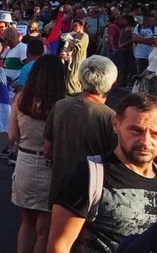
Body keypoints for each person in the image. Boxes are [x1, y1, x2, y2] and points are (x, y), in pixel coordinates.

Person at [48, 93, 157, 253]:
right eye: (136, 130)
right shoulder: (89, 174)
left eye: (156, 133)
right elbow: (59, 244)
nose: (146, 141)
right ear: (116, 124)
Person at [8, 55, 66, 253]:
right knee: (44, 230)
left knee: (26, 223)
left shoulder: (21, 99)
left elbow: (12, 136)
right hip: (51, 166)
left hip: (25, 161)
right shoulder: (63, 104)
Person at [44, 55, 118, 207]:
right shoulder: (111, 117)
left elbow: (47, 150)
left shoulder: (60, 106)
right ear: (113, 83)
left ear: (79, 79)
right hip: (92, 192)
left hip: (60, 186)